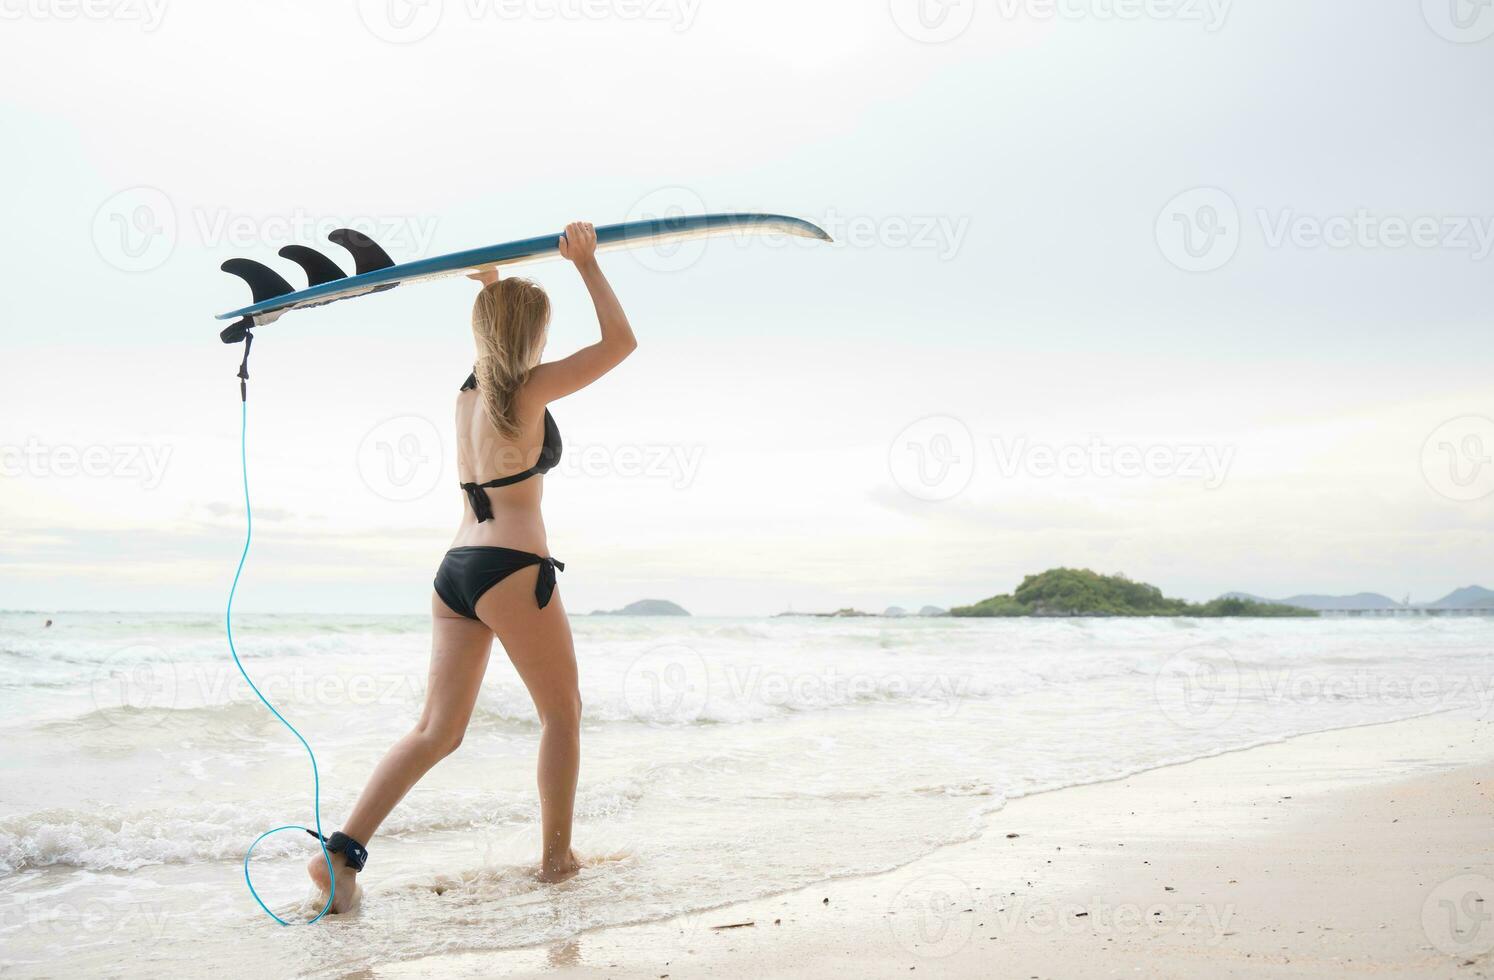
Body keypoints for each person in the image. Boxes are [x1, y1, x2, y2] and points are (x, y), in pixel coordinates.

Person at [308, 221, 636, 911]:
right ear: (532, 335)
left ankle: (340, 853)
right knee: (563, 714)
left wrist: (491, 287)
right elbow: (620, 344)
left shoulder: (468, 394)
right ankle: (556, 860)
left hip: (455, 570)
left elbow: (493, 349)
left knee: (436, 731)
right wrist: (587, 266)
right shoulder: (528, 389)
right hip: (513, 567)